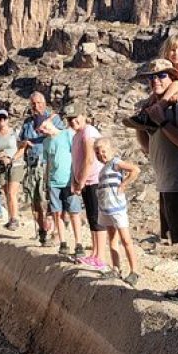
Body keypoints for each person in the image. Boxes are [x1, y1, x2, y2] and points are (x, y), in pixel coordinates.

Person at [133, 59, 178, 304]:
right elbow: (147, 148)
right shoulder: (156, 108)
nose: (155, 80)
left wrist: (162, 121)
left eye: (161, 76)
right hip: (168, 181)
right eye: (151, 77)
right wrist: (140, 126)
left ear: (172, 77)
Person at [123, 32, 178, 130]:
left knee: (177, 84)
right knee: (155, 95)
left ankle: (159, 108)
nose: (176, 53)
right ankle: (144, 115)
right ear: (167, 52)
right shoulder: (172, 67)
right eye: (172, 50)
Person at [64, 102, 107, 271]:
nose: (73, 121)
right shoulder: (76, 136)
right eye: (70, 119)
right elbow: (77, 160)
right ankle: (95, 254)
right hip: (86, 182)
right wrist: (76, 180)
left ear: (83, 116)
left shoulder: (88, 132)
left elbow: (90, 159)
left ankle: (101, 257)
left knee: (97, 218)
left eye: (75, 118)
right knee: (91, 218)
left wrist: (80, 181)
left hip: (94, 180)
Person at [18, 92, 66, 245]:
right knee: (35, 199)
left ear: (45, 103)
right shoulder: (27, 123)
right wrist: (25, 144)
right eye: (33, 104)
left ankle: (57, 233)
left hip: (49, 163)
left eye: (39, 103)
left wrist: (48, 132)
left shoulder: (54, 119)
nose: (36, 106)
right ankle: (42, 230)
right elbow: (20, 141)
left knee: (53, 199)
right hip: (32, 164)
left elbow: (62, 137)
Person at [94, 136, 141, 285]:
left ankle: (134, 271)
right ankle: (116, 268)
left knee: (125, 239)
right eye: (98, 153)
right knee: (112, 238)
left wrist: (124, 184)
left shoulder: (115, 163)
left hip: (117, 207)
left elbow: (135, 169)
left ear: (111, 150)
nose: (101, 155)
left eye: (103, 152)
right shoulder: (103, 169)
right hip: (106, 208)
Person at [39, 118, 84, 257]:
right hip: (54, 182)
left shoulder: (67, 134)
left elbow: (76, 155)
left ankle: (79, 243)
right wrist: (46, 183)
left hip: (69, 180)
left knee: (74, 212)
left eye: (45, 126)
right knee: (57, 212)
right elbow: (46, 163)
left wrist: (76, 179)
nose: (43, 129)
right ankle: (63, 242)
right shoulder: (46, 142)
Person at [0, 110, 24, 230]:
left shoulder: (14, 133)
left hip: (15, 165)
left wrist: (12, 158)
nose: (2, 121)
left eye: (4, 118)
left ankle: (15, 219)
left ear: (8, 119)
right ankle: (11, 218)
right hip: (1, 166)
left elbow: (22, 147)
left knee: (12, 192)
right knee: (6, 193)